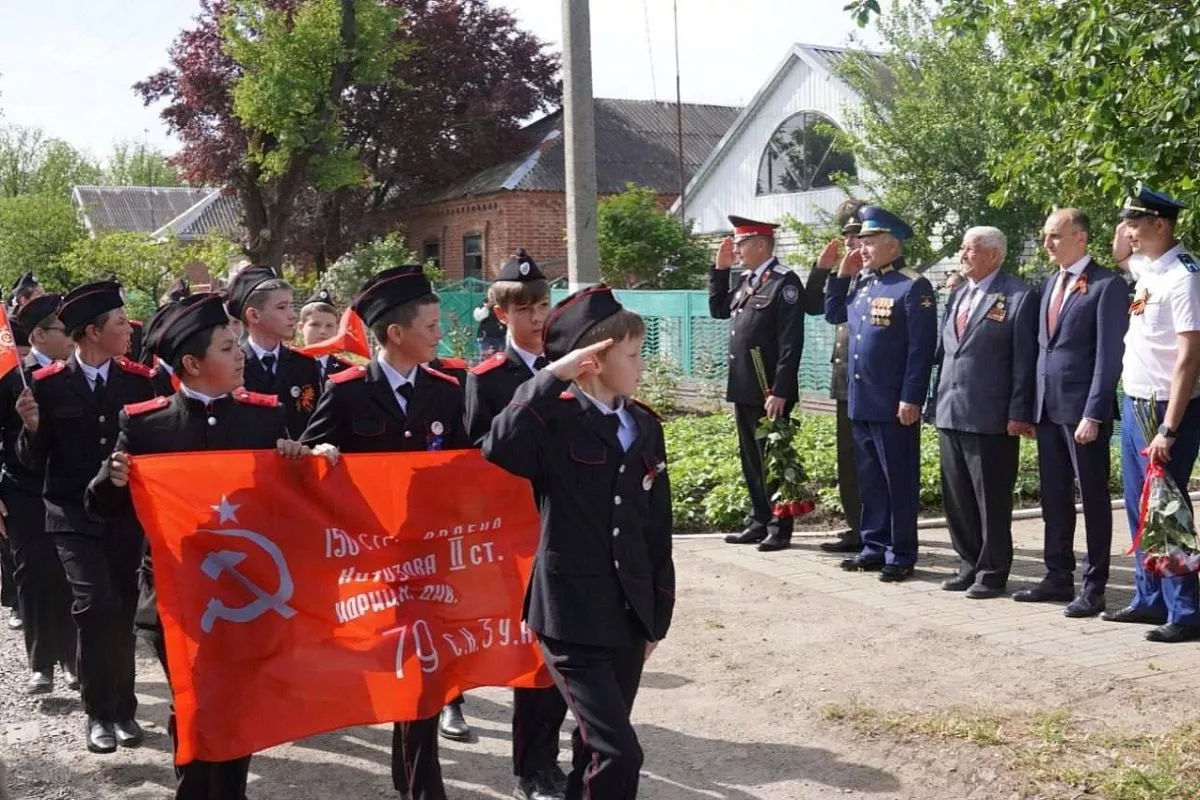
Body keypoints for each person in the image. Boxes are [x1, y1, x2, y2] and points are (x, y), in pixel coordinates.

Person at [83, 292, 329, 799]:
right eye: (226, 347)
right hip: (175, 595)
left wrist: (300, 463)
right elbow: (101, 508)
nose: (240, 355)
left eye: (237, 344)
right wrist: (112, 478)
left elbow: (290, 509)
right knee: (192, 701)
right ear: (192, 364)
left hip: (244, 594)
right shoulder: (147, 423)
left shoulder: (264, 420)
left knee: (236, 701)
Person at [483, 284, 674, 800]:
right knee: (620, 752)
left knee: (595, 751)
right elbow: (499, 447)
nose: (641, 364)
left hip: (629, 614)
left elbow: (657, 529)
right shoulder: (555, 423)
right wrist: (550, 377)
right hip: (570, 617)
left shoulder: (644, 426)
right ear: (591, 362)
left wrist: (657, 616)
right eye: (632, 355)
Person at [301, 264, 468, 800]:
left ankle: (423, 785)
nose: (440, 335)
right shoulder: (347, 392)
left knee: (424, 666)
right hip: (367, 559)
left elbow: (465, 465)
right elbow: (306, 460)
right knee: (395, 669)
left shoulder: (446, 391)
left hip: (427, 554)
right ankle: (410, 774)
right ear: (396, 334)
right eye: (431, 326)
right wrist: (319, 458)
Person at [15, 280, 156, 753]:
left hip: (122, 516)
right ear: (92, 332)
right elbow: (33, 462)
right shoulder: (48, 385)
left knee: (119, 611)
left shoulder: (139, 381)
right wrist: (32, 429)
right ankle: (98, 714)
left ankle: (124, 711)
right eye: (119, 323)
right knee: (94, 607)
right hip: (71, 515)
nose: (128, 330)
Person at [464, 251, 567, 800]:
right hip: (511, 534)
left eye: (543, 307)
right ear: (502, 314)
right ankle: (533, 767)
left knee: (557, 649)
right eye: (524, 309)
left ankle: (547, 759)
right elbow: (477, 456)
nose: (536, 318)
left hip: (563, 526)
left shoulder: (571, 367)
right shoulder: (488, 379)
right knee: (530, 652)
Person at [1015, 209, 1127, 616]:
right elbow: (1041, 350)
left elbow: (1108, 357)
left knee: (1093, 499)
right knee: (1054, 497)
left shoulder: (1106, 286)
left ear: (1080, 238)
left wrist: (1094, 412)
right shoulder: (1049, 284)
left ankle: (1094, 585)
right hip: (1048, 409)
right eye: (1045, 235)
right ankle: (1057, 575)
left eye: (1055, 236)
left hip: (1082, 413)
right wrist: (1030, 406)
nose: (1047, 243)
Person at [1104, 185, 1200, 643]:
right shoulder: (1148, 268)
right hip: (1136, 400)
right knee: (1140, 508)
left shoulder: (1185, 277)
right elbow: (1120, 251)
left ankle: (1185, 611)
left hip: (1166, 408)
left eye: (1136, 224)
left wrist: (1169, 427)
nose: (1128, 233)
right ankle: (1150, 600)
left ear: (1161, 225)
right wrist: (1126, 226)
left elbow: (1189, 357)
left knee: (1168, 509)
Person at [824, 207, 938, 582]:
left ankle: (901, 552)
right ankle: (873, 546)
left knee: (898, 481)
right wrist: (842, 275)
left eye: (870, 242)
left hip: (893, 404)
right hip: (862, 400)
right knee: (870, 479)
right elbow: (833, 314)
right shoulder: (862, 282)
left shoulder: (912, 286)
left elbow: (921, 349)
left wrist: (912, 397)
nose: (862, 248)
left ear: (893, 245)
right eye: (863, 241)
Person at [933, 227, 1037, 599]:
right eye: (962, 248)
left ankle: (992, 571)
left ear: (994, 255)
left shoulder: (1018, 295)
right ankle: (968, 562)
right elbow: (948, 352)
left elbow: (1024, 362)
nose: (962, 255)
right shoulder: (959, 292)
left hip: (991, 416)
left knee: (990, 499)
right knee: (957, 495)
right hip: (950, 409)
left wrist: (1018, 411)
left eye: (970, 249)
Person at [709, 215, 806, 552]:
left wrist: (780, 390)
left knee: (773, 457)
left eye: (741, 244)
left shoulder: (785, 283)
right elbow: (719, 309)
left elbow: (791, 342)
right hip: (744, 385)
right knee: (751, 457)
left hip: (769, 390)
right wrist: (720, 272)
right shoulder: (749, 280)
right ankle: (759, 519)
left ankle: (780, 527)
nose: (735, 249)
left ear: (761, 245)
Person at [0, 294, 78, 692]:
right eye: (64, 331)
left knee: (69, 574)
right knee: (33, 574)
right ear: (39, 335)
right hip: (23, 489)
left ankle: (71, 658)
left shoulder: (73, 376)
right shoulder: (13, 377)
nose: (71, 338)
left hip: (66, 488)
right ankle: (41, 664)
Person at [805, 203, 866, 553]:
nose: (853, 243)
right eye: (849, 237)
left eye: (859, 236)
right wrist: (823, 269)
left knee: (868, 459)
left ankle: (873, 529)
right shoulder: (846, 276)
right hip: (845, 378)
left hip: (871, 382)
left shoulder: (878, 278)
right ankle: (857, 525)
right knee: (848, 457)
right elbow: (815, 307)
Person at [226, 267, 322, 436]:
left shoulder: (305, 365)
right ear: (254, 315)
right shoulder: (230, 365)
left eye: (291, 306)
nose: (293, 315)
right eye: (281, 307)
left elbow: (317, 426)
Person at [299, 287, 354, 384]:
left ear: (337, 330)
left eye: (329, 326)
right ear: (301, 327)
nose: (323, 331)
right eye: (315, 325)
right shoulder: (288, 364)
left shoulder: (346, 370)